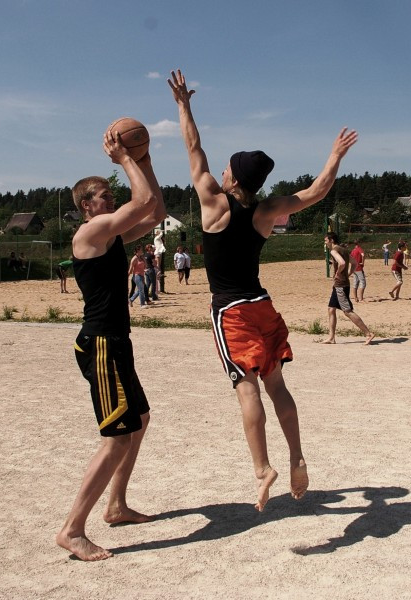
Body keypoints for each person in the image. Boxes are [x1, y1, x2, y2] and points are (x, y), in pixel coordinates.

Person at [168, 68, 357, 511]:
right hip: (263, 306)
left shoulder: (214, 201)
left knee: (246, 389)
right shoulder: (267, 210)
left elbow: (194, 148)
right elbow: (316, 191)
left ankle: (262, 468)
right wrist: (335, 155)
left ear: (231, 175)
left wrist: (183, 105)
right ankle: (297, 455)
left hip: (231, 310)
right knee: (277, 387)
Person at [56, 129, 165, 561]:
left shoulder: (111, 236)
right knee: (117, 436)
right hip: (100, 343)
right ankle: (72, 529)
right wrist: (124, 158)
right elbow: (139, 203)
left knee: (139, 418)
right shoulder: (91, 233)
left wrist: (146, 158)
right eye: (104, 194)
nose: (110, 197)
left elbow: (155, 211)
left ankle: (116, 505)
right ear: (88, 205)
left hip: (116, 342)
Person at [322, 232, 374, 345]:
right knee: (331, 309)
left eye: (326, 240)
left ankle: (368, 334)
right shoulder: (343, 249)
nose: (325, 243)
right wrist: (348, 274)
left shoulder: (334, 250)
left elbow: (342, 263)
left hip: (340, 284)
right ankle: (331, 337)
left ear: (331, 240)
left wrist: (338, 274)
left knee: (347, 311)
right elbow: (354, 263)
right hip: (340, 284)